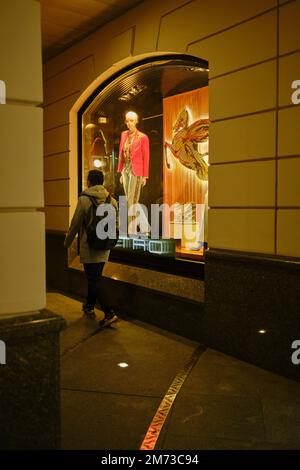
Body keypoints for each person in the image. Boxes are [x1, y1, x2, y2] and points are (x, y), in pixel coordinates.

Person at [64, 169, 118, 327]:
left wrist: (67, 242)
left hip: (90, 245)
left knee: (94, 279)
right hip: (105, 246)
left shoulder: (84, 200)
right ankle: (89, 305)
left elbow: (75, 223)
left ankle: (109, 313)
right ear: (102, 182)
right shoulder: (111, 200)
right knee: (95, 277)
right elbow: (116, 224)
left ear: (89, 182)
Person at [117, 111, 150, 234]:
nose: (129, 123)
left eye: (132, 120)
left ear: (136, 121)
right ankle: (145, 228)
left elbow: (146, 157)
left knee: (132, 201)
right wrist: (120, 171)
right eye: (127, 120)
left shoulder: (143, 137)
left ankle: (131, 231)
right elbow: (121, 152)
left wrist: (145, 176)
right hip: (125, 169)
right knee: (129, 200)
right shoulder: (124, 135)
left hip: (136, 171)